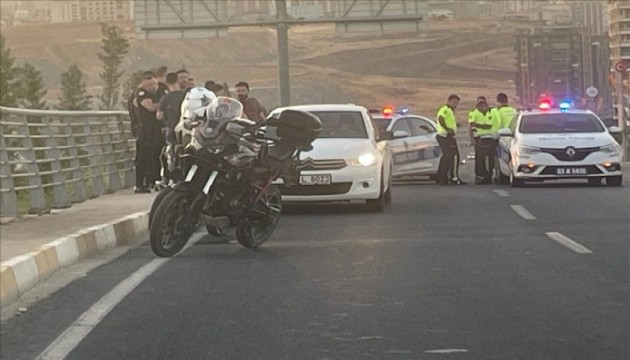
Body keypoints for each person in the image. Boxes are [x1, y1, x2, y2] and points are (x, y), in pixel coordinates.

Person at [133, 71, 163, 193]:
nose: (152, 87)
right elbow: (149, 107)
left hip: (156, 131)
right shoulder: (142, 94)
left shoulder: (158, 92)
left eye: (154, 84)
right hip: (146, 131)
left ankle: (155, 181)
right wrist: (164, 105)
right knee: (143, 158)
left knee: (156, 157)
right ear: (143, 85)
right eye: (149, 85)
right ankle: (140, 184)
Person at [156, 73, 187, 184]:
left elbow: (159, 116)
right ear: (178, 81)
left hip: (171, 127)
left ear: (167, 83)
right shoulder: (186, 96)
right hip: (184, 128)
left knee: (171, 152)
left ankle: (170, 176)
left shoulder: (165, 98)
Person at [435, 94, 466, 185]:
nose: (455, 105)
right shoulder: (445, 109)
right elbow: (441, 118)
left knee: (447, 157)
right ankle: (451, 177)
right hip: (445, 136)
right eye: (454, 102)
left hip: (449, 136)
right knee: (452, 156)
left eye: (457, 103)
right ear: (449, 101)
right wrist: (447, 129)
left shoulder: (450, 111)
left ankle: (443, 177)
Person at [469, 98, 500, 184]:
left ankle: (487, 176)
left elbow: (488, 126)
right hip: (481, 138)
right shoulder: (476, 113)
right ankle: (481, 176)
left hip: (490, 138)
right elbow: (471, 126)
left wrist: (477, 125)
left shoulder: (491, 112)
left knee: (487, 159)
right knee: (480, 158)